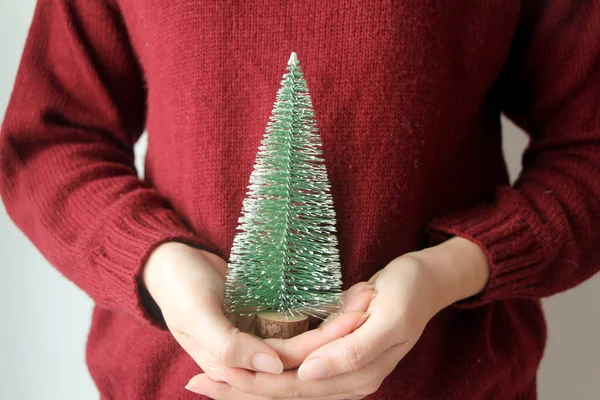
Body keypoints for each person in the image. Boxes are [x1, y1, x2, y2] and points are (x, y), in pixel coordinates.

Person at [1, 0, 599, 399]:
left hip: (451, 381)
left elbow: (589, 147)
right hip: (167, 384)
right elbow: (50, 138)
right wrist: (156, 262)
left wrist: (452, 271)